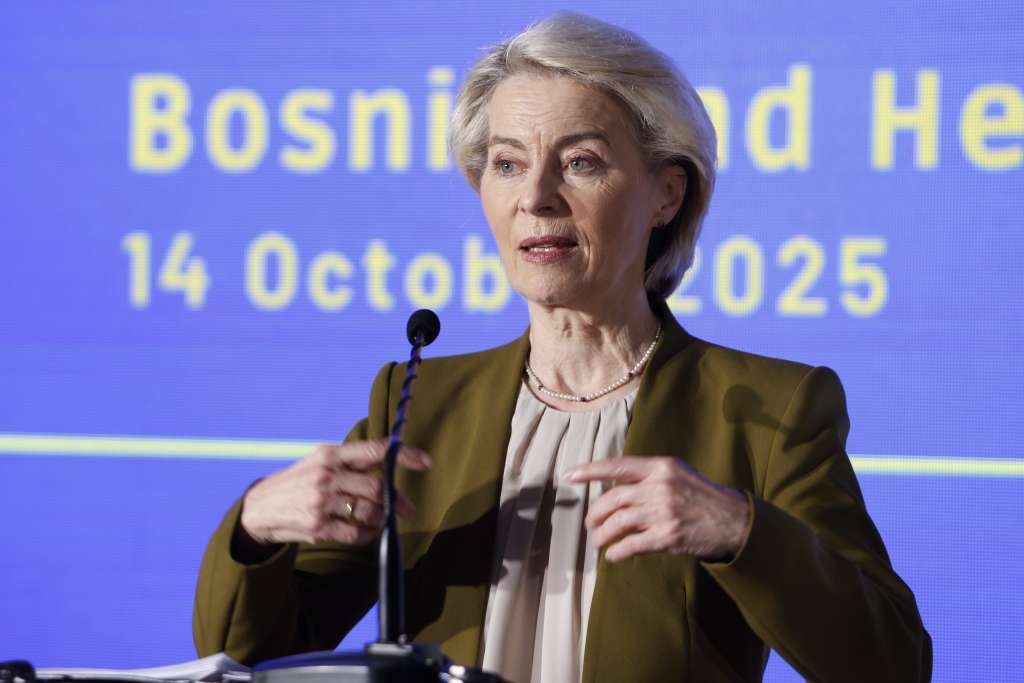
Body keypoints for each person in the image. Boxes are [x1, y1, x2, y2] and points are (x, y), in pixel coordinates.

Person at [193, 13, 931, 683]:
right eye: (507, 163)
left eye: (580, 162)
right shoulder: (421, 405)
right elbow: (248, 656)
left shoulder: (767, 410)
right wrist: (256, 527)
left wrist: (739, 529)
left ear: (667, 194)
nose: (535, 197)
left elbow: (892, 664)